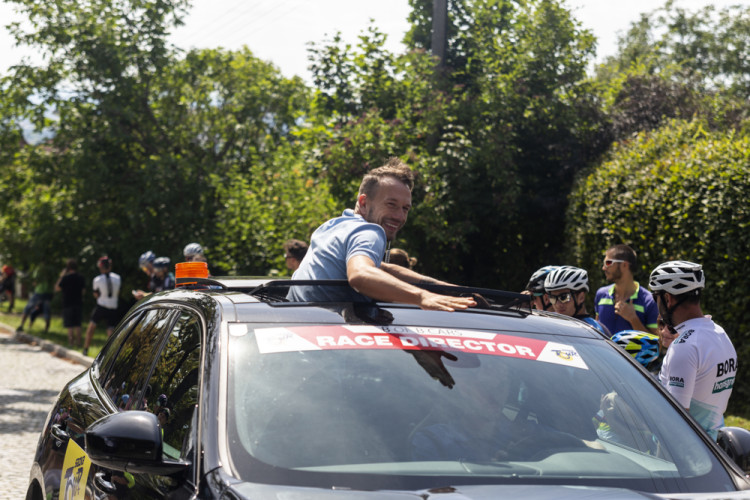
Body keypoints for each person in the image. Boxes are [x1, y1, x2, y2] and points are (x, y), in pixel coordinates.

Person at [288, 158, 476, 311]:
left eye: (405, 209)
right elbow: (361, 274)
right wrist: (423, 297)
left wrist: (446, 288)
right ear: (363, 202)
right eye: (391, 204)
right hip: (329, 343)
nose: (399, 216)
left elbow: (380, 267)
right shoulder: (369, 231)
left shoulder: (331, 228)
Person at [649, 260, 737, 440]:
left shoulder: (684, 346)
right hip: (713, 445)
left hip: (684, 456)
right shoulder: (720, 334)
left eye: (655, 298)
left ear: (668, 298)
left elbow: (677, 420)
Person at [594, 244, 658, 335]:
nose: (604, 268)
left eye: (608, 263)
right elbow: (596, 332)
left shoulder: (650, 301)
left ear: (624, 265)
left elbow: (657, 343)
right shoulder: (600, 294)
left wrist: (633, 319)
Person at [544, 266, 610, 336]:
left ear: (581, 297)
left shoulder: (597, 330)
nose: (558, 304)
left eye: (564, 297)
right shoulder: (547, 324)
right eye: (553, 298)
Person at [82, 256, 122, 356]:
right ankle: (112, 354)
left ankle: (85, 348)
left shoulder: (97, 279)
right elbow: (118, 292)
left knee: (91, 326)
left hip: (101, 306)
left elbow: (96, 294)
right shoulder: (118, 278)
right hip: (113, 307)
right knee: (110, 331)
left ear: (101, 267)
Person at [55, 258, 86, 347]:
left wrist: (61, 276)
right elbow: (83, 291)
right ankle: (79, 343)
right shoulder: (81, 277)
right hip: (78, 303)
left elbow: (57, 288)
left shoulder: (65, 278)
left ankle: (71, 343)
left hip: (67, 303)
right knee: (78, 324)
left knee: (70, 325)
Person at [16, 266, 55, 334]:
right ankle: (46, 329)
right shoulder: (52, 269)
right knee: (46, 311)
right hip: (48, 293)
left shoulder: (39, 269)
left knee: (28, 308)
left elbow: (35, 282)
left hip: (39, 292)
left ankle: (21, 325)